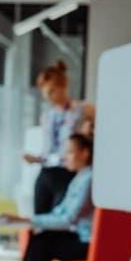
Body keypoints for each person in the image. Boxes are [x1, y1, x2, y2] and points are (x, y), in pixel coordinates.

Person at [0, 134, 94, 261]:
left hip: (87, 243)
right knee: (40, 237)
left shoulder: (89, 179)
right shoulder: (80, 177)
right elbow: (61, 212)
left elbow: (68, 219)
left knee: (42, 243)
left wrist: (28, 219)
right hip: (76, 236)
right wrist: (32, 221)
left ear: (85, 153)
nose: (65, 157)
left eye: (70, 152)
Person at [23, 60, 95, 214]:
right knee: (40, 219)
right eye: (45, 94)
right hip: (47, 171)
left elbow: (92, 141)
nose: (48, 97)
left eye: (51, 92)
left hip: (68, 172)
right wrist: (35, 159)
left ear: (63, 87)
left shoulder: (83, 110)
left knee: (60, 219)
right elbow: (48, 148)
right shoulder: (47, 116)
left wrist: (87, 134)